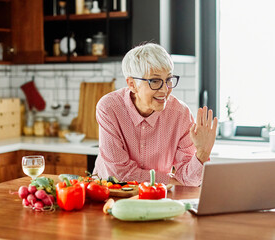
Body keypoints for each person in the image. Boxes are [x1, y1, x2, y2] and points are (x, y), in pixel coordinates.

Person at [93, 43, 218, 186]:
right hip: (109, 194)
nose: (165, 90)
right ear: (132, 84)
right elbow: (119, 174)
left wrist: (202, 153)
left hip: (156, 196)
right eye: (155, 81)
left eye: (168, 79)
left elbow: (189, 181)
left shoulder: (180, 114)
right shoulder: (109, 108)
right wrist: (170, 180)